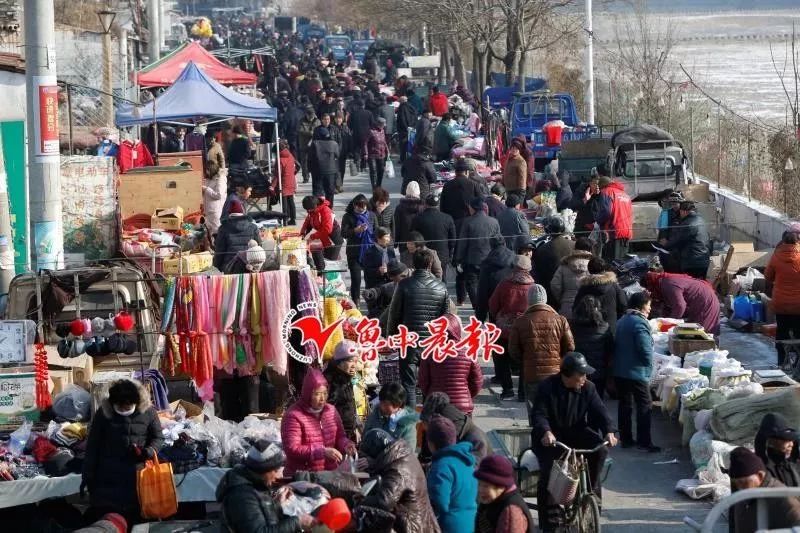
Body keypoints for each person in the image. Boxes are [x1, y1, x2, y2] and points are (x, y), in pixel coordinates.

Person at [531, 353, 617, 532]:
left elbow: (600, 411)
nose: (584, 378)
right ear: (567, 375)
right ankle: (549, 522)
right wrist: (546, 432)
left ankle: (590, 494)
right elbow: (539, 414)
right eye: (581, 374)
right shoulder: (547, 387)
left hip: (577, 432)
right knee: (550, 474)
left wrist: (609, 431)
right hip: (551, 438)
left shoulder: (588, 388)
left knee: (599, 450)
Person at [82, 379, 164, 521]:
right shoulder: (103, 414)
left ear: (136, 402)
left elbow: (158, 438)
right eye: (120, 407)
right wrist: (87, 475)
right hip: (108, 478)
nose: (124, 410)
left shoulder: (149, 411)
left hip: (138, 477)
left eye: (128, 407)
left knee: (138, 521)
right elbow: (92, 446)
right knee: (111, 521)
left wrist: (148, 451)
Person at [388, 249, 450, 408]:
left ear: (412, 264)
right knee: (429, 382)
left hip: (409, 341)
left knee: (408, 383)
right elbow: (446, 319)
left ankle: (411, 419)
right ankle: (429, 417)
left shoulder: (404, 285)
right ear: (430, 264)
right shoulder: (441, 287)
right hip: (432, 342)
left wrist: (391, 336)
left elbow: (394, 313)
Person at [509, 284, 575, 424]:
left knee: (535, 412)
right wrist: (559, 361)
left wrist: (526, 360)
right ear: (545, 300)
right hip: (556, 374)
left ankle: (537, 440)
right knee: (555, 412)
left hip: (532, 374)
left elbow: (513, 350)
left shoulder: (520, 322)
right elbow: (570, 347)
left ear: (529, 300)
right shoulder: (560, 320)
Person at [216, 440, 316, 532]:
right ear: (263, 471)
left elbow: (265, 514)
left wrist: (277, 506)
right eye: (276, 470)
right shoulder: (242, 496)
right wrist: (297, 522)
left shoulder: (257, 484)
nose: (278, 475)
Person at [357, 429, 442, 533]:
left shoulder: (397, 469)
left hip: (414, 526)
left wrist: (359, 499)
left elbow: (385, 501)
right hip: (421, 520)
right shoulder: (402, 456)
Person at [281, 368, 357, 477]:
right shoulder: (293, 415)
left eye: (325, 393)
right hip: (302, 476)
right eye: (317, 394)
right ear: (308, 394)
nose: (322, 399)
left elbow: (340, 436)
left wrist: (346, 445)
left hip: (329, 474)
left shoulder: (331, 410)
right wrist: (322, 452)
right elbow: (292, 449)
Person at [613, 290, 659, 452]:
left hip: (619, 371)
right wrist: (650, 366)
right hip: (636, 372)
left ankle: (626, 439)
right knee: (644, 405)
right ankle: (644, 442)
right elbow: (645, 349)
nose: (650, 308)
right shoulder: (639, 323)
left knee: (625, 404)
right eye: (649, 305)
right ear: (641, 305)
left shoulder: (622, 320)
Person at [488, 254, 535, 400]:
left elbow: (493, 304)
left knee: (502, 358)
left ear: (514, 267)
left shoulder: (504, 284)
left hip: (504, 328)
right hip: (526, 328)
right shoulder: (534, 286)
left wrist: (498, 317)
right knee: (524, 361)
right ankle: (522, 393)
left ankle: (507, 390)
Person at [419, 313, 484, 416]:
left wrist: (431, 396)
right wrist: (466, 395)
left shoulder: (429, 352)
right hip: (462, 409)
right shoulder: (468, 352)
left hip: (436, 407)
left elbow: (423, 382)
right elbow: (477, 382)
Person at [727, 446, 800, 533]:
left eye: (743, 482)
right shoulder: (742, 495)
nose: (739, 488)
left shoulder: (782, 499)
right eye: (736, 484)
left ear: (760, 475)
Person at [426, 415, 479, 533]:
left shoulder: (441, 466)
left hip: (449, 526)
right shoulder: (467, 461)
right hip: (469, 523)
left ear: (431, 443)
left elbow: (439, 504)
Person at [456, 198, 504, 309]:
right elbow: (499, 241)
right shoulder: (494, 222)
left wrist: (459, 259)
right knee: (487, 285)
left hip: (472, 259)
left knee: (472, 284)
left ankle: (478, 307)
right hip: (489, 259)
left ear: (473, 208)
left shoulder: (467, 222)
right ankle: (487, 307)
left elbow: (463, 243)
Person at [419, 392, 492, 464]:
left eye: (428, 427)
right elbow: (425, 457)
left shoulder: (476, 443)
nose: (426, 430)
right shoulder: (444, 433)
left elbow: (471, 472)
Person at [644, 270, 720, 336]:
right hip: (702, 299)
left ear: (651, 284)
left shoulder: (667, 285)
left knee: (703, 334)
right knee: (696, 333)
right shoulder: (664, 282)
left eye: (649, 289)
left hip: (705, 302)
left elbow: (680, 306)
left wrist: (669, 322)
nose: (651, 292)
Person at [474, 454, 536, 533]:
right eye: (479, 484)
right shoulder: (490, 500)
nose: (480, 489)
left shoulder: (510, 512)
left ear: (501, 486)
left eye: (486, 486)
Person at [766, 228, 800, 366]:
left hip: (780, 304)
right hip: (799, 305)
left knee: (782, 330)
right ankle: (798, 363)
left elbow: (768, 276)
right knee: (799, 333)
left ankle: (781, 361)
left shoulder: (775, 256)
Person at [570, 296, 614, 399]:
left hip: (578, 370)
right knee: (596, 402)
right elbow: (610, 349)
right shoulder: (604, 327)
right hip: (599, 371)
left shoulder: (573, 326)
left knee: (578, 403)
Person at [573, 257, 628, 336]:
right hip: (610, 329)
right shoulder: (613, 286)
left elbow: (575, 309)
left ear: (589, 270)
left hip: (587, 332)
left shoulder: (584, 288)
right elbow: (623, 305)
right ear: (604, 269)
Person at [412, 193, 457, 281]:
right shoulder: (447, 218)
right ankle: (442, 293)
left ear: (425, 204)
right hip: (442, 254)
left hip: (423, 254)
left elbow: (414, 236)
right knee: (441, 277)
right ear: (438, 204)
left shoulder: (418, 218)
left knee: (423, 278)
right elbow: (453, 239)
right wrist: (450, 251)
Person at [659, 201, 710, 279]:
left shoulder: (687, 223)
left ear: (684, 211)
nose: (680, 215)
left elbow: (678, 240)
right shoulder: (701, 220)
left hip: (692, 262)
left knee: (690, 286)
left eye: (680, 212)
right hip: (704, 260)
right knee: (700, 284)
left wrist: (666, 244)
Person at [342, 194, 378, 304]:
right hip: (354, 253)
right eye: (357, 206)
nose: (360, 208)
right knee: (356, 279)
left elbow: (377, 231)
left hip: (369, 252)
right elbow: (343, 233)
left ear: (367, 206)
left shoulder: (371, 215)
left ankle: (370, 300)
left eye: (363, 206)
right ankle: (356, 302)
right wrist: (355, 230)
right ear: (353, 205)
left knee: (370, 279)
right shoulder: (348, 216)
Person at [324, 340, 362, 443]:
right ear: (339, 362)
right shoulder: (332, 382)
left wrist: (356, 427)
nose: (354, 365)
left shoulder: (346, 378)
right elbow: (328, 411)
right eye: (350, 361)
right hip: (337, 436)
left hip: (348, 433)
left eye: (355, 361)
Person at [363, 382, 418, 450]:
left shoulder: (407, 424)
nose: (382, 407)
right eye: (381, 402)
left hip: (396, 459)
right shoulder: (374, 416)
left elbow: (408, 454)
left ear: (398, 405)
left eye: (386, 404)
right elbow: (365, 441)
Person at [533, 216, 575, 304]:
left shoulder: (542, 249)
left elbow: (538, 273)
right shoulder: (574, 245)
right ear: (563, 230)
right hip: (571, 287)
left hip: (550, 292)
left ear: (548, 231)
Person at [550, 237, 594, 320]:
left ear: (575, 248)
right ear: (590, 249)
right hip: (588, 308)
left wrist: (562, 299)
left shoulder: (565, 264)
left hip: (566, 307)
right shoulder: (593, 264)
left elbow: (555, 285)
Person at [475, 238, 516, 322]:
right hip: (512, 301)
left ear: (491, 245)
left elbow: (482, 291)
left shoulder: (487, 263)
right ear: (504, 243)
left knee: (495, 330)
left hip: (494, 304)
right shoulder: (514, 258)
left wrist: (480, 316)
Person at [213, 202, 262, 274]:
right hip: (250, 268)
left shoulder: (223, 228)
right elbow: (259, 248)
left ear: (229, 214)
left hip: (230, 268)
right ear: (243, 212)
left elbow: (220, 252)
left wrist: (217, 267)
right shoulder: (253, 227)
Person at [755, 413, 800, 487]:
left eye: (792, 440)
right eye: (786, 440)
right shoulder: (763, 470)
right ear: (770, 441)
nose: (791, 444)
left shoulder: (795, 463)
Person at [596, 175, 633, 263]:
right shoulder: (626, 195)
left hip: (613, 232)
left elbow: (606, 212)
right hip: (627, 231)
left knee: (611, 263)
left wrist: (597, 220)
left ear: (602, 186)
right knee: (622, 263)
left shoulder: (606, 192)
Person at [300, 196, 343, 270]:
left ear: (315, 205)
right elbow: (308, 222)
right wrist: (302, 233)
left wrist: (312, 236)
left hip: (333, 240)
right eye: (307, 210)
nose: (308, 211)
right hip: (324, 239)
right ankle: (321, 277)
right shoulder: (312, 211)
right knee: (321, 262)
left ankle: (327, 279)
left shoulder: (325, 210)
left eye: (309, 209)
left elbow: (327, 229)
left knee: (329, 264)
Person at [441, 158, 482, 225]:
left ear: (455, 172)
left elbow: (442, 206)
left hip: (452, 220)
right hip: (469, 221)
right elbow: (480, 202)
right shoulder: (474, 184)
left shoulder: (447, 185)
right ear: (466, 172)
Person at [308, 126, 339, 206]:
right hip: (331, 170)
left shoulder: (314, 144)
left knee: (317, 192)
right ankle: (329, 210)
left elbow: (310, 158)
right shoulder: (334, 143)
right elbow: (337, 155)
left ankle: (318, 209)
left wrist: (309, 169)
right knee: (330, 192)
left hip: (317, 171)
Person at [394, 183, 425, 258]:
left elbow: (396, 227)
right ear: (418, 193)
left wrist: (395, 242)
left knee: (405, 266)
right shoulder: (422, 208)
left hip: (404, 243)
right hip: (419, 243)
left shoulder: (399, 208)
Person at [656, 191, 684, 273]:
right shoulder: (666, 213)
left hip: (677, 247)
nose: (674, 205)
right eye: (672, 203)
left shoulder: (684, 214)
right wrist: (662, 241)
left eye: (676, 203)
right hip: (667, 246)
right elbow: (661, 228)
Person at [271, 139, 297, 225]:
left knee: (284, 203)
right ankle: (293, 219)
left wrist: (272, 185)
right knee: (291, 201)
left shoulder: (280, 159)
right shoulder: (290, 155)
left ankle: (285, 220)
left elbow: (277, 174)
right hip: (291, 181)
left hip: (284, 183)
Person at [203, 160, 227, 236]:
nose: (206, 172)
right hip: (208, 211)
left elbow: (219, 195)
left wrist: (206, 189)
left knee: (217, 231)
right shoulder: (209, 179)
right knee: (208, 233)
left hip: (215, 210)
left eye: (207, 170)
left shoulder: (220, 179)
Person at [297, 105, 320, 183]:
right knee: (304, 162)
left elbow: (319, 130)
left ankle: (316, 175)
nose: (311, 117)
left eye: (312, 115)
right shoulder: (301, 121)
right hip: (304, 145)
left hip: (314, 145)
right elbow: (300, 131)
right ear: (306, 114)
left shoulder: (317, 121)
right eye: (309, 115)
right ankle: (305, 177)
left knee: (315, 161)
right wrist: (311, 133)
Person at [349, 98, 373, 171]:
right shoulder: (369, 113)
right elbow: (372, 124)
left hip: (356, 133)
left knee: (356, 149)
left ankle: (357, 163)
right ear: (364, 105)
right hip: (366, 134)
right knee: (364, 149)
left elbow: (350, 125)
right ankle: (363, 165)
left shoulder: (353, 114)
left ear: (357, 106)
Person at [367, 118, 390, 189]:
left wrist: (387, 150)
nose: (384, 126)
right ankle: (374, 187)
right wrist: (365, 153)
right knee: (373, 171)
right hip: (372, 154)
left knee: (381, 170)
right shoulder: (371, 131)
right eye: (383, 125)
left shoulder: (382, 131)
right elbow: (365, 142)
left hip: (381, 154)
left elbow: (384, 141)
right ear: (379, 124)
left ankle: (378, 185)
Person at [331, 112, 351, 192]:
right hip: (335, 152)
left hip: (343, 151)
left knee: (342, 169)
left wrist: (350, 150)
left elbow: (350, 139)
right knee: (336, 169)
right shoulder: (332, 128)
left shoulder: (345, 128)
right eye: (337, 118)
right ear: (335, 119)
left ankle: (340, 184)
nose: (338, 119)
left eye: (340, 118)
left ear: (342, 119)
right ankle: (336, 186)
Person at [397, 95, 418, 163]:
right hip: (412, 128)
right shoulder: (411, 107)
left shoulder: (402, 107)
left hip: (403, 130)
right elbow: (415, 116)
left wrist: (405, 127)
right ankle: (412, 158)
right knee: (411, 144)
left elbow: (402, 118)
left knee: (403, 145)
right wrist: (413, 126)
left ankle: (403, 159)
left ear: (401, 101)